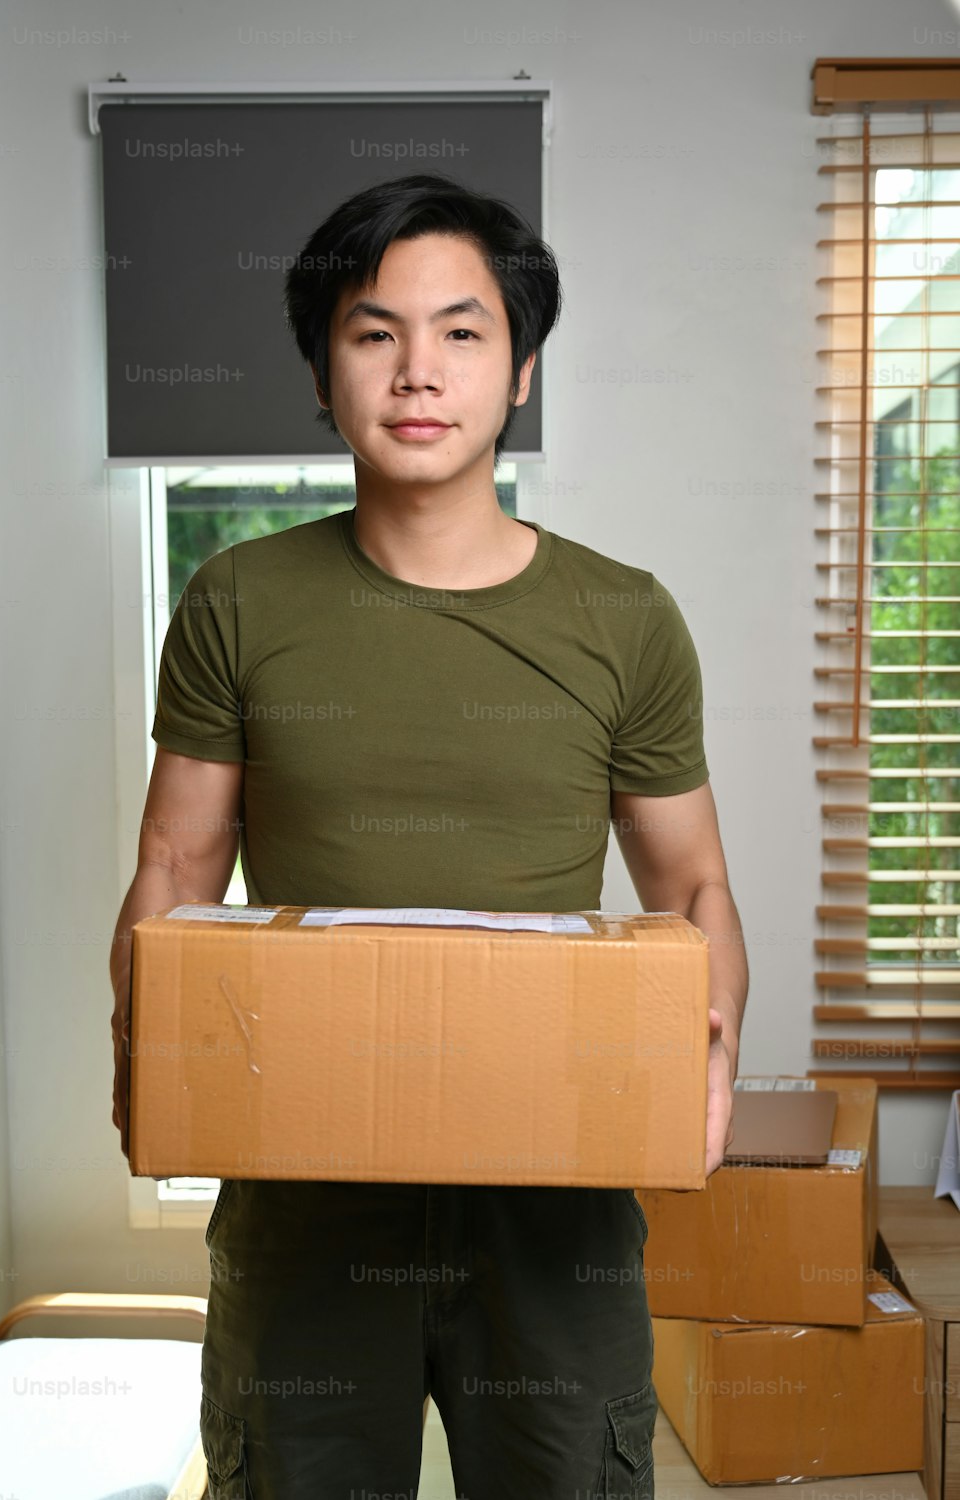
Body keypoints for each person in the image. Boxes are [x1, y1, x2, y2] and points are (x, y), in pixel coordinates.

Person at [109, 171, 747, 1500]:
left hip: (555, 1205)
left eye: (462, 333)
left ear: (519, 373)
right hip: (306, 1195)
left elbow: (691, 881)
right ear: (322, 367)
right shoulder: (241, 599)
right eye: (372, 331)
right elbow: (177, 864)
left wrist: (710, 1063)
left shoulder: (623, 619)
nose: (418, 372)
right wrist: (144, 1051)